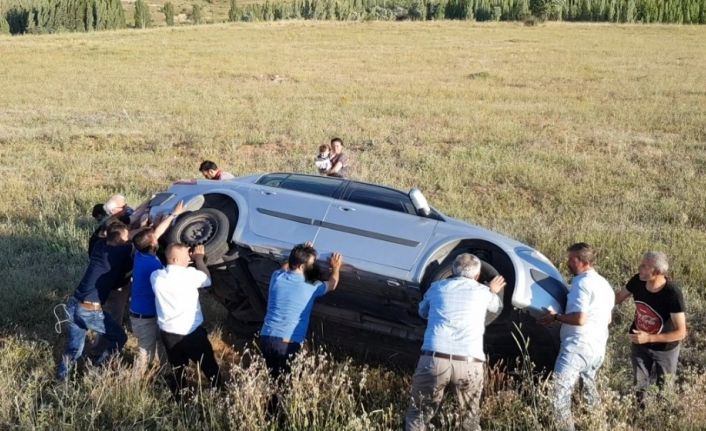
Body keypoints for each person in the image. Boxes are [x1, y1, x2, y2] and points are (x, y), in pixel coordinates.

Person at [405, 253, 506, 431]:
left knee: (418, 415)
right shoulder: (483, 293)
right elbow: (497, 307)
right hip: (469, 363)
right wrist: (491, 290)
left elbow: (422, 312)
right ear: (477, 276)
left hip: (434, 358)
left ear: (452, 271)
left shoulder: (436, 287)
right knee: (469, 420)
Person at [537, 243, 614, 431]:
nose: (568, 263)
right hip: (597, 349)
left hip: (578, 346)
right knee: (589, 394)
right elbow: (608, 318)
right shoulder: (604, 285)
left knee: (558, 396)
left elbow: (580, 318)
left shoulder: (582, 283)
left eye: (571, 259)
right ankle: (599, 426)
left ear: (580, 261)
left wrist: (556, 317)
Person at [56, 223, 133, 381]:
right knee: (119, 338)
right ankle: (96, 369)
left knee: (74, 349)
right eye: (126, 238)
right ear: (119, 240)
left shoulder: (99, 246)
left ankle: (61, 380)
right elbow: (142, 239)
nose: (127, 240)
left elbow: (109, 231)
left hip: (73, 304)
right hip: (89, 310)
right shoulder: (119, 252)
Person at [259, 243, 343, 378]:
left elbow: (286, 266)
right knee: (285, 385)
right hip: (287, 343)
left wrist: (300, 252)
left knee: (274, 379)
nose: (314, 266)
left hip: (266, 338)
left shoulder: (277, 277)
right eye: (312, 264)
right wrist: (336, 267)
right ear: (302, 267)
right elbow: (332, 284)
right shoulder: (312, 285)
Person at [615, 251, 686, 405]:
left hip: (666, 349)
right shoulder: (637, 281)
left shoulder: (672, 293)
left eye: (645, 267)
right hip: (639, 343)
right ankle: (640, 416)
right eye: (641, 265)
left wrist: (649, 337)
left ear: (658, 272)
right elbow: (618, 298)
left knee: (665, 389)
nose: (639, 268)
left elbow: (681, 332)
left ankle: (662, 419)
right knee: (640, 386)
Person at [151, 243, 220, 395]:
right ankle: (218, 389)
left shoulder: (156, 276)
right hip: (191, 332)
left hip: (168, 333)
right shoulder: (190, 275)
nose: (189, 257)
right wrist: (199, 260)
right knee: (208, 364)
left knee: (177, 367)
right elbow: (207, 280)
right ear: (175, 259)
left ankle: (181, 396)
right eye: (186, 256)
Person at [129, 201, 186, 374]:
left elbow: (156, 233)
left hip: (145, 314)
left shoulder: (140, 253)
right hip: (145, 317)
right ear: (153, 245)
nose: (157, 236)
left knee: (161, 346)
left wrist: (173, 215)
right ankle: (133, 385)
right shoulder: (154, 268)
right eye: (155, 238)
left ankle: (166, 375)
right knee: (145, 353)